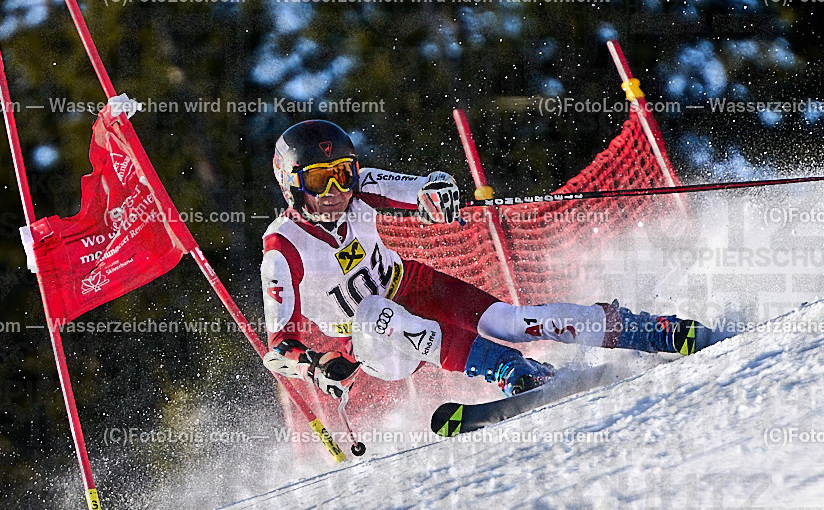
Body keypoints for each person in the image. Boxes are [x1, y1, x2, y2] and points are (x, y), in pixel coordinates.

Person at [260, 120, 712, 401]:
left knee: (510, 321)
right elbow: (278, 348)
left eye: (343, 174)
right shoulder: (283, 246)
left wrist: (436, 193)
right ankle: (506, 367)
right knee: (376, 312)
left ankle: (642, 329)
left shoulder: (359, 189)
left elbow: (419, 185)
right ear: (291, 184)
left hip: (415, 286)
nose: (336, 190)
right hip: (374, 344)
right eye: (319, 180)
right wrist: (314, 368)